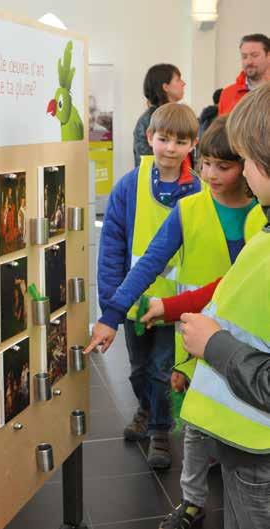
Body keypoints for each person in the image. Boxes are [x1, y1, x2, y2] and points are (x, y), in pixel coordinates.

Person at [85, 113, 265, 482]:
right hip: (191, 327)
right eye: (207, 166)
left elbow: (226, 284)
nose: (212, 175)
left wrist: (165, 307)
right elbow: (149, 261)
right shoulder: (190, 208)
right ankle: (190, 488)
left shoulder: (257, 219)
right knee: (177, 393)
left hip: (240, 343)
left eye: (225, 166)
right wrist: (112, 314)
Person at [172, 82, 270, 529]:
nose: (243, 173)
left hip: (259, 455)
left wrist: (215, 346)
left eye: (246, 160)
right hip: (244, 444)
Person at [88, 102, 200, 469]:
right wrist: (111, 304)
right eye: (164, 138)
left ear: (192, 145)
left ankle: (161, 431)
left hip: (175, 305)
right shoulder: (129, 186)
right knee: (137, 369)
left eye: (180, 141)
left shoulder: (198, 189)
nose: (170, 148)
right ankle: (147, 408)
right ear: (149, 137)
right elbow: (112, 248)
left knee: (161, 368)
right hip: (134, 302)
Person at [133, 64, 185, 166]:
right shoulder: (147, 121)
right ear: (165, 87)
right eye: (178, 80)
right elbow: (146, 165)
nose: (183, 83)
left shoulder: (182, 116)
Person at [218, 33, 270, 115]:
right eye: (244, 56)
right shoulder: (227, 94)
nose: (248, 61)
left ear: (268, 56)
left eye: (255, 55)